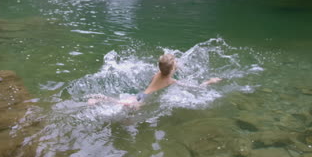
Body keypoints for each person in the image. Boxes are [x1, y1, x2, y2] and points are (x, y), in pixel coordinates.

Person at [87, 53, 222, 106]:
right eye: (176, 66)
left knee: (125, 102)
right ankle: (98, 99)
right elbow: (196, 87)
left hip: (142, 94)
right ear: (173, 70)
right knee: (125, 104)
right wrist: (209, 81)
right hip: (144, 98)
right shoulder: (171, 81)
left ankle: (98, 99)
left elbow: (159, 75)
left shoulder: (157, 74)